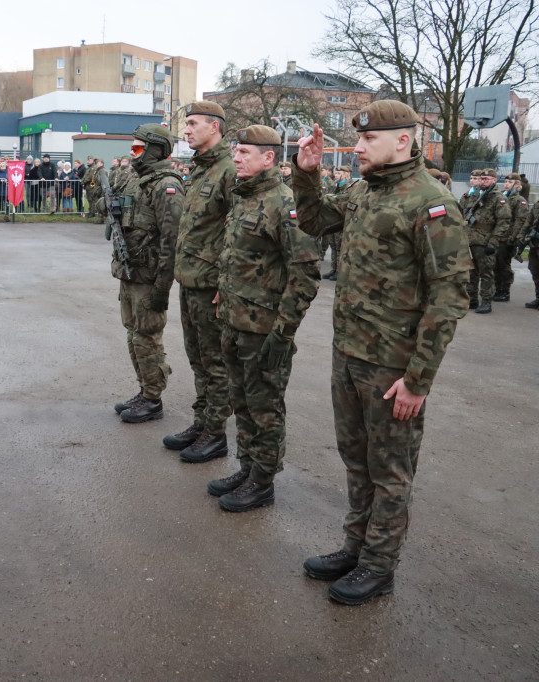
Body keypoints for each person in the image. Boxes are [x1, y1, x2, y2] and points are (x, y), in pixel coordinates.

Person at [294, 101, 471, 605]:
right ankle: (356, 548)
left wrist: (418, 378)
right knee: (357, 460)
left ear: (403, 140)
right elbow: (312, 221)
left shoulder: (430, 202)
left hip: (393, 366)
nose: (358, 147)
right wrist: (305, 174)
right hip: (349, 354)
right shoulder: (360, 193)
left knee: (390, 470)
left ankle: (379, 565)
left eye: (369, 140)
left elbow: (449, 294)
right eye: (358, 139)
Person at [209, 125, 320, 512]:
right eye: (235, 151)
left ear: (268, 157)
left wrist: (283, 333)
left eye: (243, 152)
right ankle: (247, 466)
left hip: (264, 329)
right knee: (240, 399)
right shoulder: (245, 197)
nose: (235, 158)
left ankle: (263, 481)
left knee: (265, 407)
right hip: (234, 320)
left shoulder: (283, 203)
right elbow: (241, 256)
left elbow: (305, 274)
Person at [163, 102, 236, 464]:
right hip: (190, 279)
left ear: (215, 127)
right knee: (198, 359)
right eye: (186, 124)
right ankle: (202, 421)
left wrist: (227, 282)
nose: (187, 130)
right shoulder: (200, 169)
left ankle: (216, 433)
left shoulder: (230, 170)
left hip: (211, 285)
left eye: (193, 124)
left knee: (215, 361)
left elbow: (236, 233)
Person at [112, 124, 184, 424]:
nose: (133, 152)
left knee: (148, 337)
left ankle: (153, 398)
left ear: (155, 149)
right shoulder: (138, 180)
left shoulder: (166, 185)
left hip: (150, 276)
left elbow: (172, 239)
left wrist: (162, 288)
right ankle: (144, 390)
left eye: (139, 148)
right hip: (131, 271)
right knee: (134, 333)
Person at [464, 168, 512, 314]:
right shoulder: (476, 195)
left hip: (486, 241)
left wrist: (494, 241)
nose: (483, 181)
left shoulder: (498, 198)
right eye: (482, 179)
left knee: (486, 273)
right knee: (471, 272)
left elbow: (504, 221)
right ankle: (472, 299)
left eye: (487, 179)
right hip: (471, 239)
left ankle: (486, 301)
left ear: (494, 180)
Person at [493, 173, 529, 302]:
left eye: (510, 182)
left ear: (517, 184)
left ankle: (504, 290)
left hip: (508, 237)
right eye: (506, 181)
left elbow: (520, 221)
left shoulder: (519, 200)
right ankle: (497, 288)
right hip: (498, 236)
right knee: (495, 264)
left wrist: (513, 238)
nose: (506, 184)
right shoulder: (501, 196)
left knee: (504, 265)